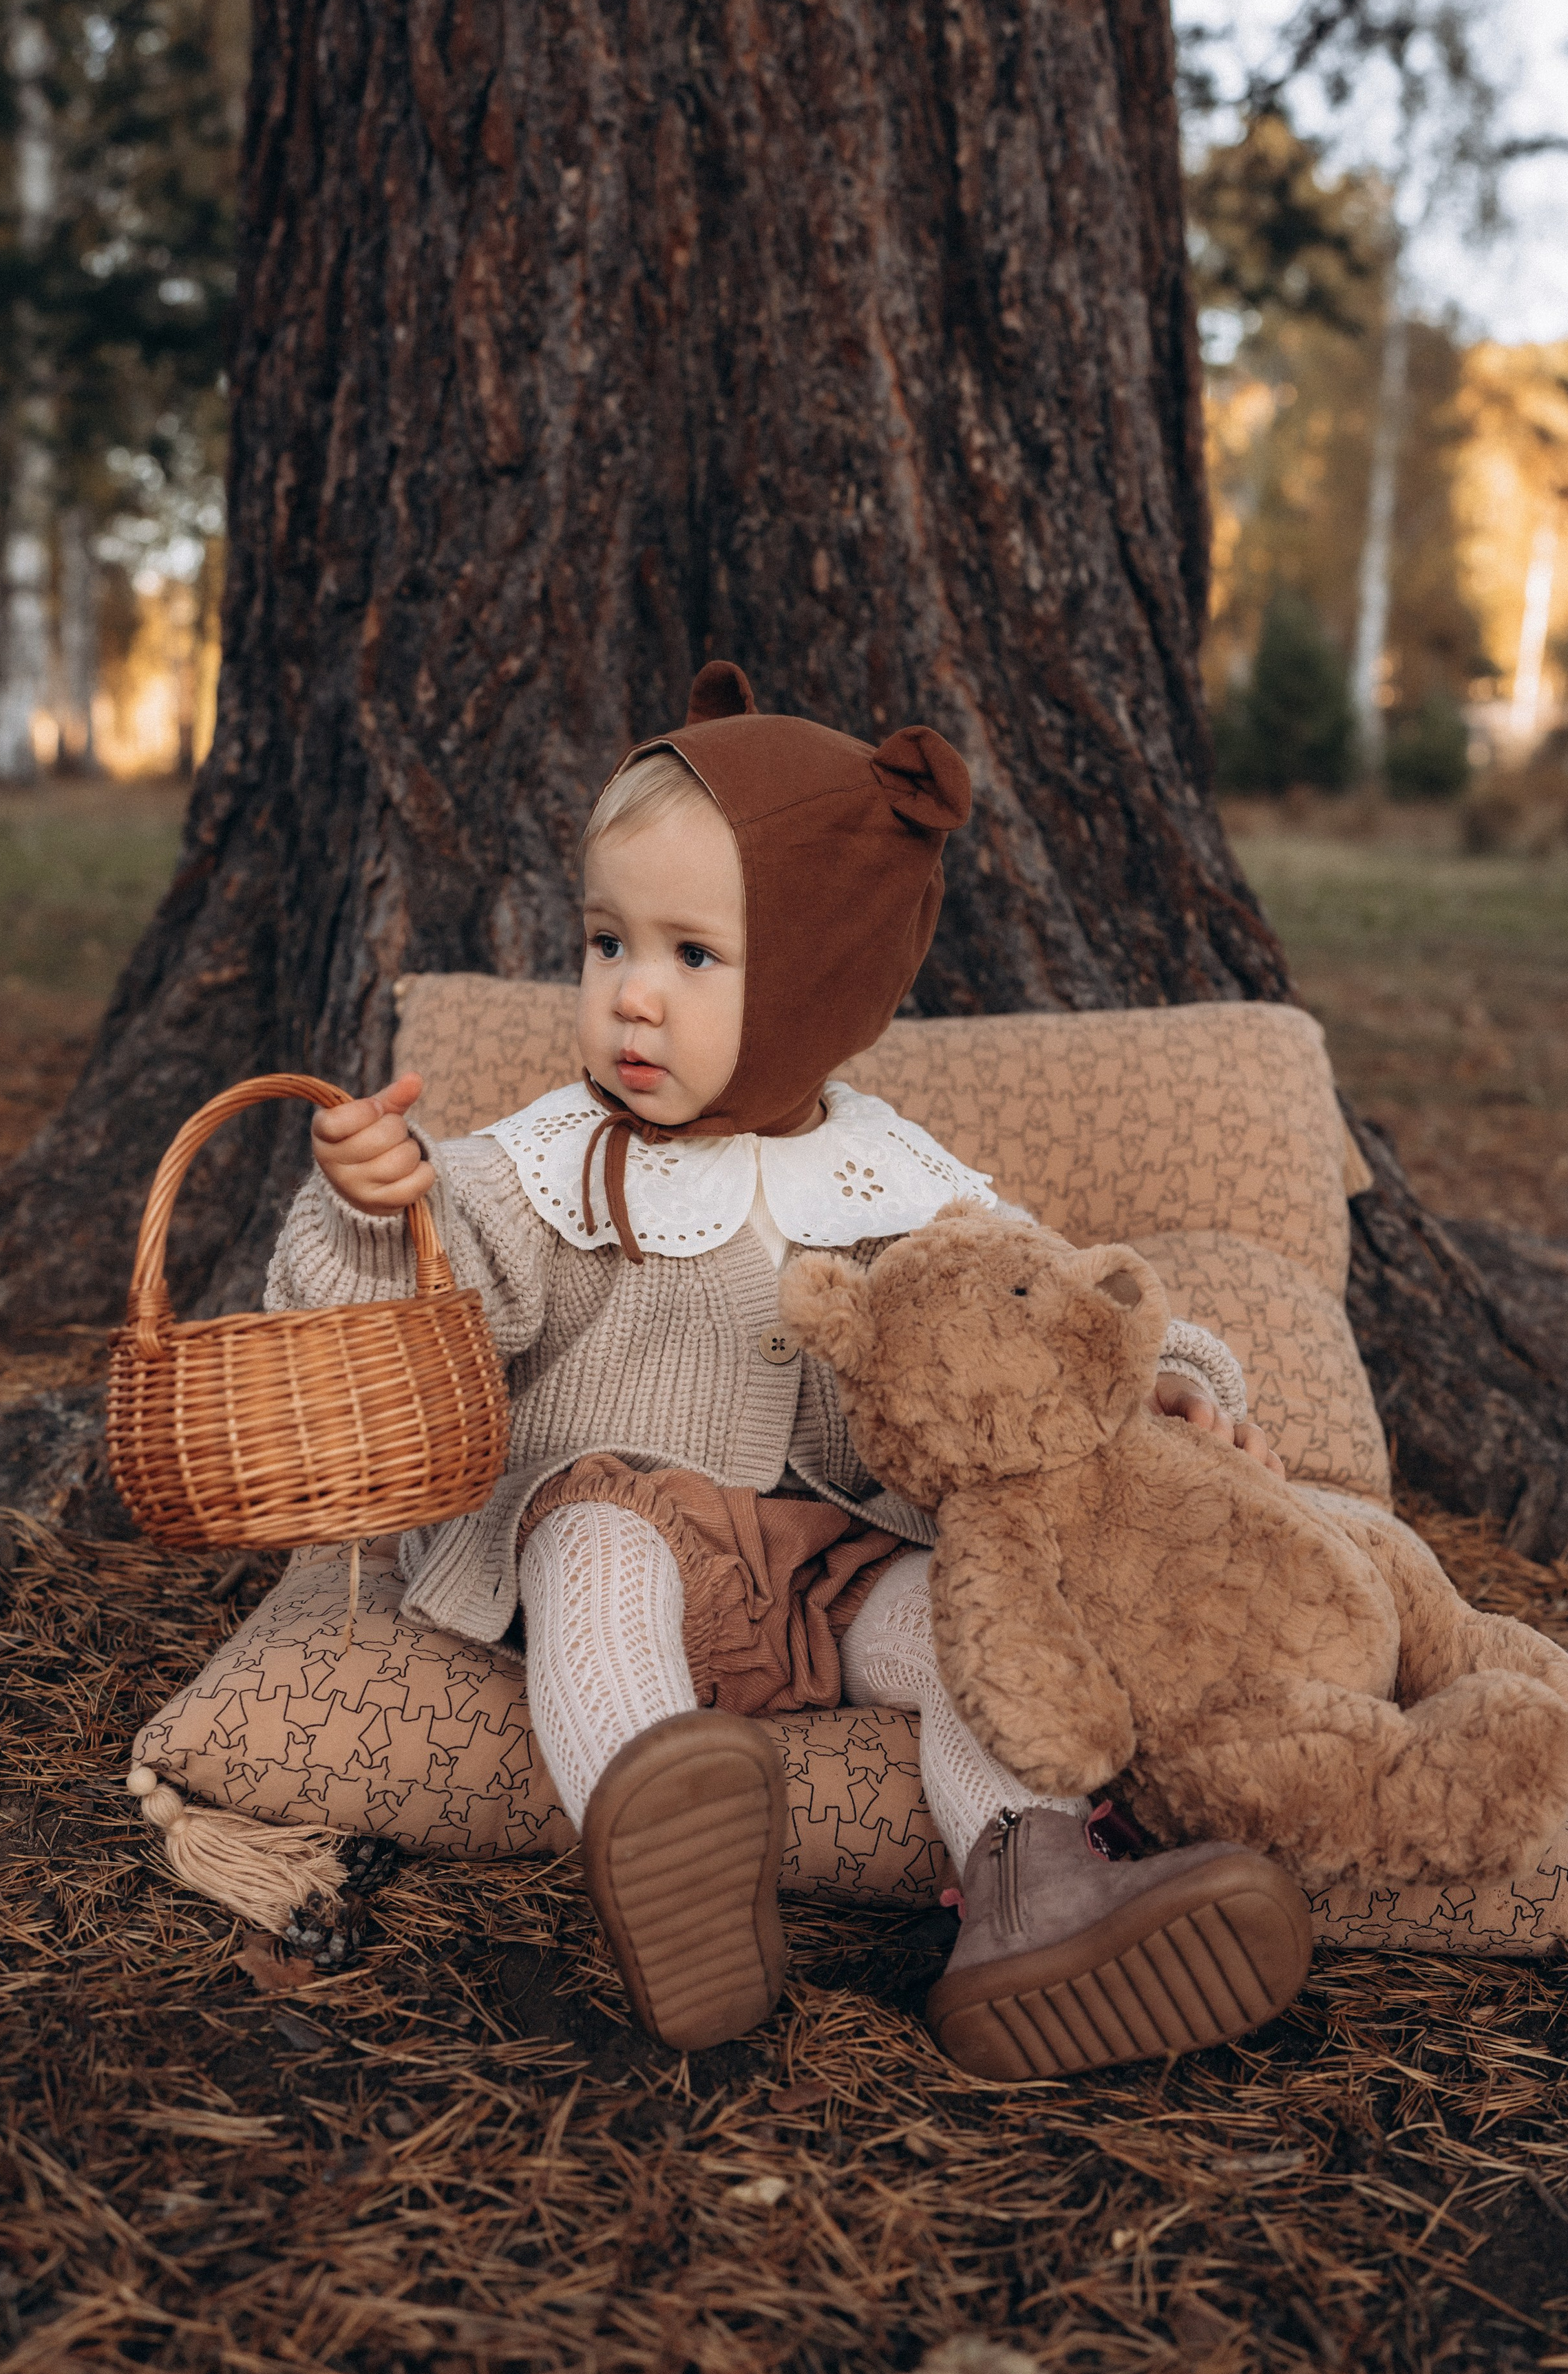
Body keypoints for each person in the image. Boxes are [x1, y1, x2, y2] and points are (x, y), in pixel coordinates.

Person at [265, 662, 1309, 2070]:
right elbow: (381, 1315)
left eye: (691, 957)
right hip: (625, 1516)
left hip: (839, 1558)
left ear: (824, 977)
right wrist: (369, 1203)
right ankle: (664, 1848)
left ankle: (1033, 1895)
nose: (632, 999)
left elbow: (1043, 1305)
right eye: (604, 944)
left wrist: (1175, 1382)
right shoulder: (539, 1164)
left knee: (972, 1619)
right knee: (588, 1560)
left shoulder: (889, 1173)